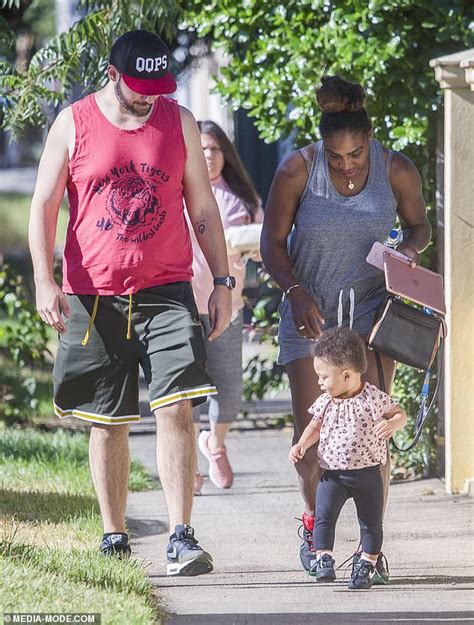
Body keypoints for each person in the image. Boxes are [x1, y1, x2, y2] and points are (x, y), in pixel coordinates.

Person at [28, 29, 236, 577]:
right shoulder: (73, 123)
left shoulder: (179, 121)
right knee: (108, 420)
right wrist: (43, 280)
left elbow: (204, 209)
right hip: (92, 294)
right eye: (138, 86)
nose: (148, 97)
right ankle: (113, 534)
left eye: (156, 87)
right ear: (114, 75)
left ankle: (181, 535)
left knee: (179, 404)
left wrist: (222, 282)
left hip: (166, 289)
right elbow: (44, 205)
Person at [260, 75, 431, 580]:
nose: (347, 165)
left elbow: (420, 226)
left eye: (356, 154)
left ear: (370, 142)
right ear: (322, 147)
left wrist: (408, 250)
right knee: (314, 437)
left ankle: (370, 551)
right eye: (336, 157)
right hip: (310, 315)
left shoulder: (396, 168)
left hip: (371, 317)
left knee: (371, 436)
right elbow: (272, 243)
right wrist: (293, 290)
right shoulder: (297, 170)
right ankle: (317, 534)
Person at [289, 328, 407, 589]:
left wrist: (392, 425)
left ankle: (367, 563)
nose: (319, 382)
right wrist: (301, 444)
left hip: (368, 474)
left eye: (323, 377)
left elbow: (400, 414)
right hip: (332, 475)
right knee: (324, 518)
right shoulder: (326, 402)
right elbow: (314, 427)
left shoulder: (373, 397)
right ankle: (323, 559)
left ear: (346, 375)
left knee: (371, 523)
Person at [190, 120, 263, 493]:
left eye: (214, 149)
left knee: (229, 393)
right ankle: (188, 467)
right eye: (201, 148)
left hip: (226, 306)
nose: (208, 155)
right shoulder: (179, 190)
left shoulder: (244, 200)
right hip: (183, 305)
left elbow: (265, 245)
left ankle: (214, 444)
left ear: (225, 154)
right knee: (184, 396)